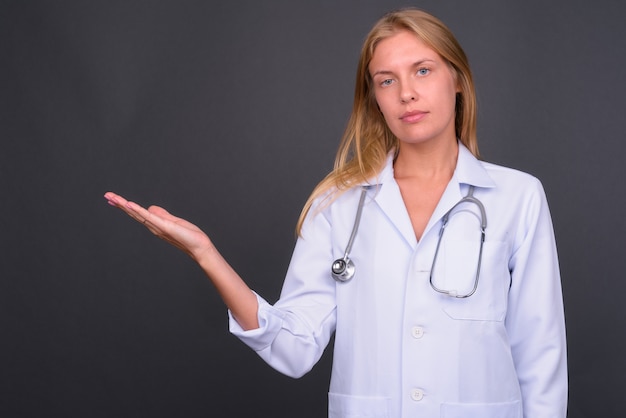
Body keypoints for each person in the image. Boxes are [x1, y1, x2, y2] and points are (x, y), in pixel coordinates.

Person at [105, 8, 567, 417]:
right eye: (387, 80)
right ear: (374, 98)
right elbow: (293, 347)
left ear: (458, 79)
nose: (406, 93)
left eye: (422, 71)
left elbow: (540, 355)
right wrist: (206, 255)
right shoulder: (339, 203)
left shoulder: (518, 197)